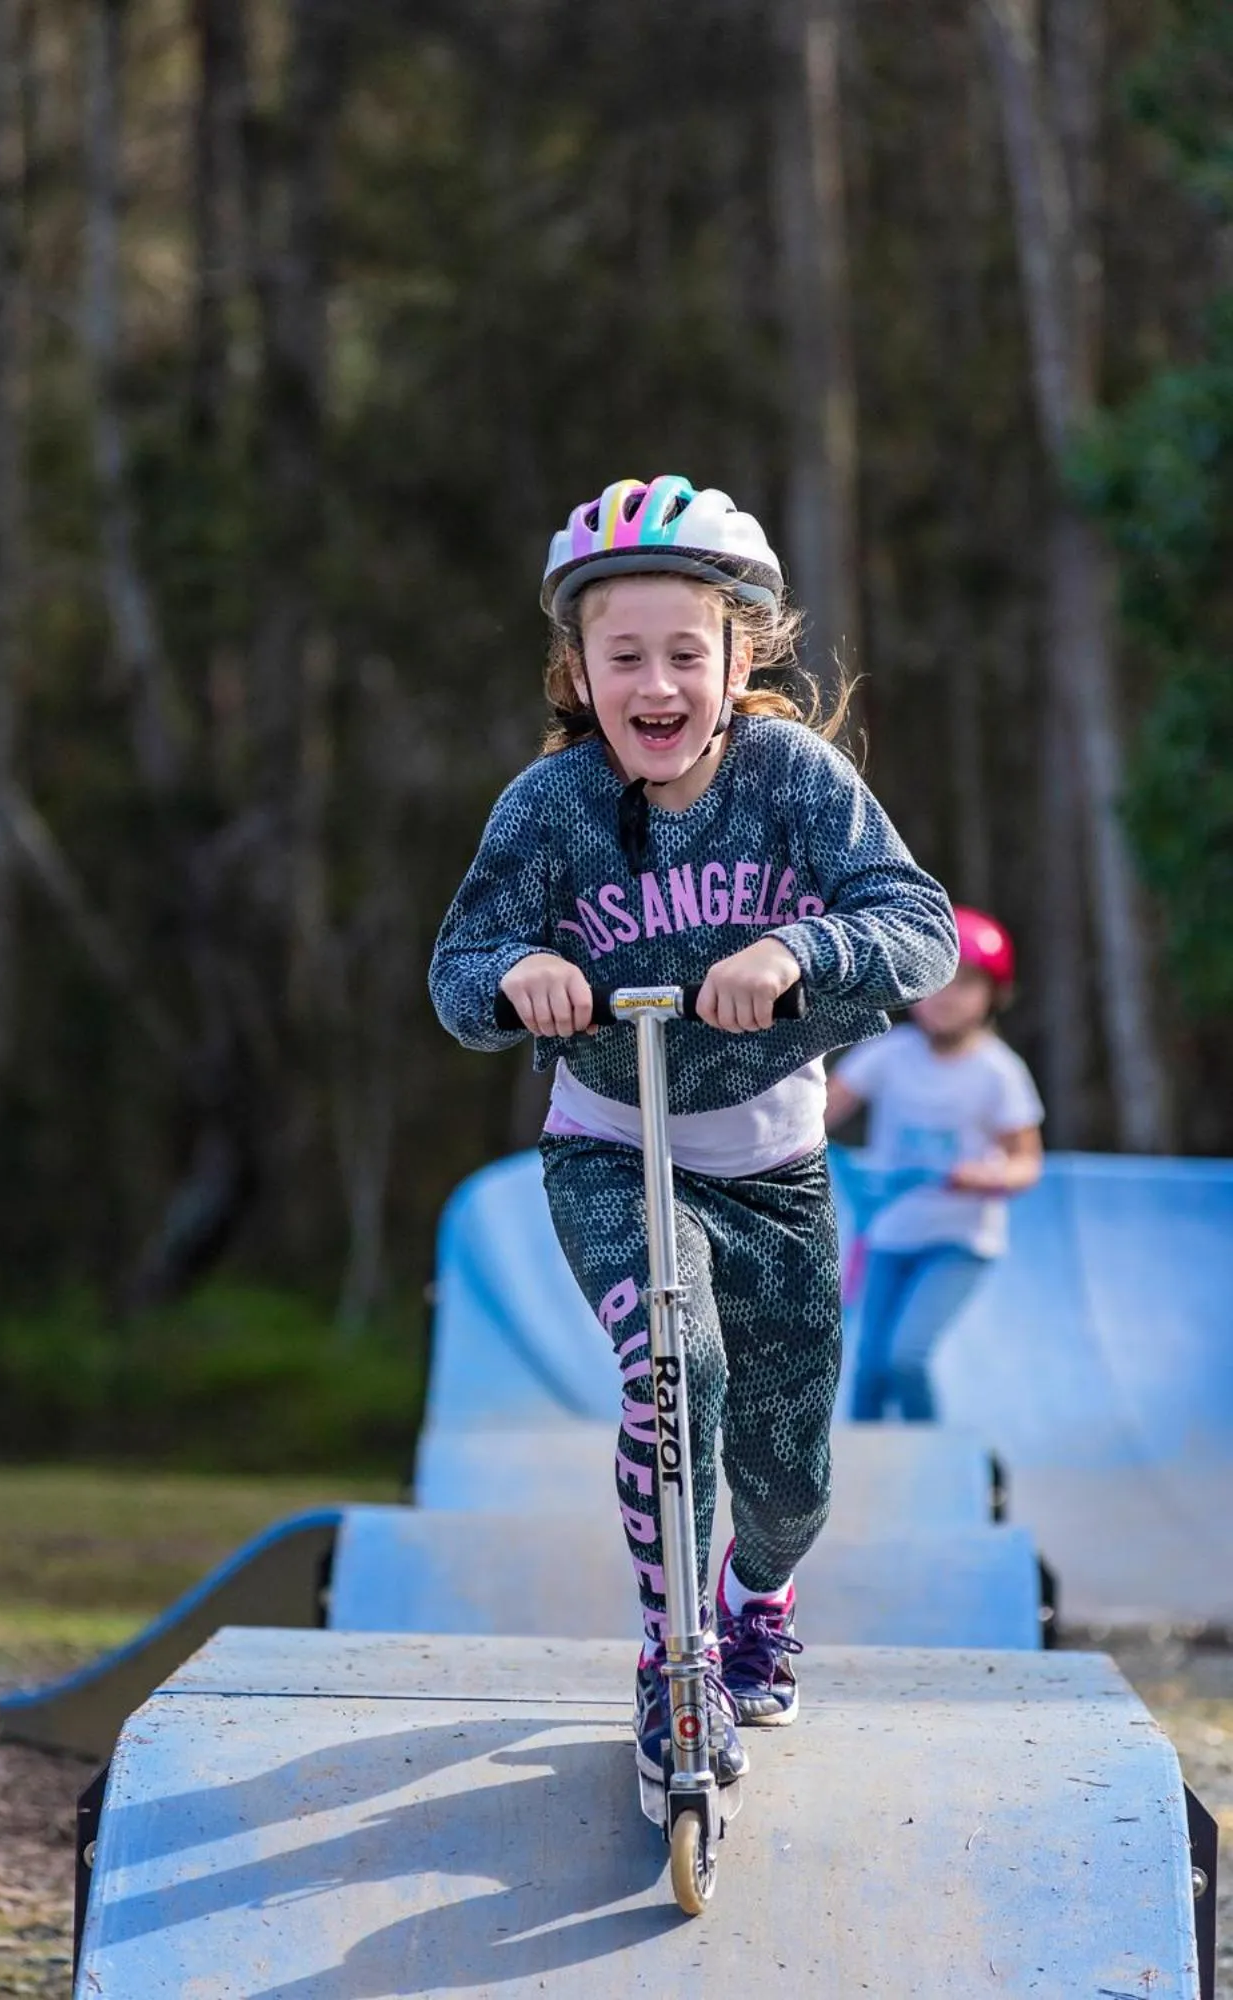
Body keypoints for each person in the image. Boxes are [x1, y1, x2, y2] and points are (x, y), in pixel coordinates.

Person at [429, 474, 958, 1787]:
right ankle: (676, 1669)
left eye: (684, 651)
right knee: (674, 1367)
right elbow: (457, 972)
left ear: (738, 656)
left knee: (789, 1478)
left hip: (773, 1168)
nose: (654, 684)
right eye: (624, 658)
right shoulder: (547, 809)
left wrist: (796, 948)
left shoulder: (792, 781)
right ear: (577, 669)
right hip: (612, 1147)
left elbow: (920, 932)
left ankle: (757, 1602)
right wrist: (514, 981)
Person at [825, 906, 1045, 1423]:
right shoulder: (889, 1053)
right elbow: (819, 1113)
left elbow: (1025, 1164)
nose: (946, 998)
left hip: (958, 1243)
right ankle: (863, 1478)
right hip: (889, 1234)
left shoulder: (998, 1072)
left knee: (907, 1357)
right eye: (936, 981)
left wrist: (982, 1178)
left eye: (965, 984)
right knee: (869, 1368)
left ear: (994, 995)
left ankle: (926, 1458)